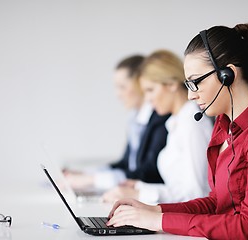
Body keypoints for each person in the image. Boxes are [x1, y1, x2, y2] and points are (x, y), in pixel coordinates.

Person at [106, 23, 248, 240]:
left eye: (195, 82)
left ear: (228, 75)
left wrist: (158, 222)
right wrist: (156, 211)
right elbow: (217, 203)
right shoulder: (224, 124)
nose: (191, 95)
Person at [102, 49, 213, 204]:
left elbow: (196, 194)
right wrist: (140, 186)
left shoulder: (192, 123)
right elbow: (178, 187)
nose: (148, 99)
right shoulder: (176, 122)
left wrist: (140, 194)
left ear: (172, 84)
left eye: (150, 90)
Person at [63, 55, 170, 191]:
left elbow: (149, 172)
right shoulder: (134, 119)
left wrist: (92, 179)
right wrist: (86, 174)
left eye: (122, 87)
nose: (118, 94)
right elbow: (125, 164)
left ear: (140, 83)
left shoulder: (160, 118)